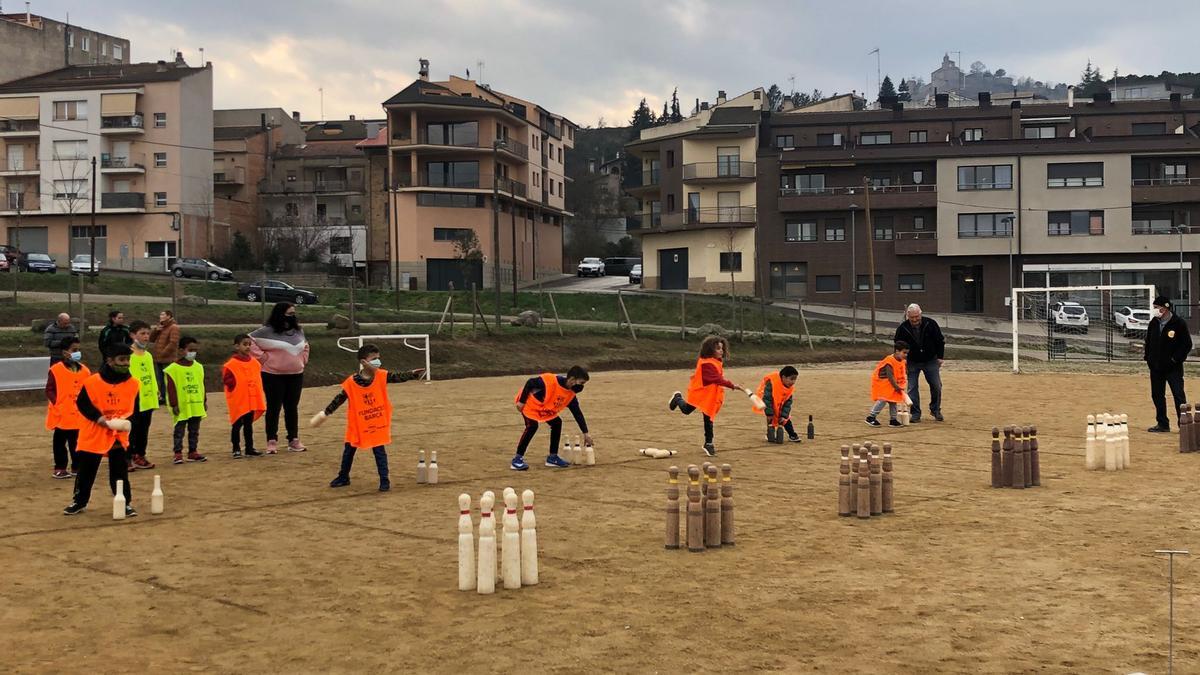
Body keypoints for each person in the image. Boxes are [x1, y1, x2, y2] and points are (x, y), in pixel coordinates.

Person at [311, 344, 425, 490]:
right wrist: (326, 412)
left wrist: (412, 374)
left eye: (379, 358)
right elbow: (339, 399)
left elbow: (397, 377)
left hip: (376, 421)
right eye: (374, 359)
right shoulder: (351, 382)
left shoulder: (382, 375)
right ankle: (343, 476)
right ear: (364, 362)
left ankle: (385, 480)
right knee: (349, 450)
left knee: (379, 451)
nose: (378, 361)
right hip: (358, 423)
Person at [63, 343, 139, 517]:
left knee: (119, 470)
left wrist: (128, 428)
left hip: (118, 434)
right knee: (87, 469)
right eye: (122, 359)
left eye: (128, 359)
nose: (126, 363)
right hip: (95, 431)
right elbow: (82, 404)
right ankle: (79, 501)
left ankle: (124, 502)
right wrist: (99, 419)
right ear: (110, 361)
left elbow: (135, 410)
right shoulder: (92, 382)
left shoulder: (133, 384)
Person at [669, 335, 743, 457]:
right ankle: (677, 398)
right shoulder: (707, 363)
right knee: (687, 410)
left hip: (709, 394)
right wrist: (732, 385)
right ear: (710, 350)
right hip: (699, 391)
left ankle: (708, 443)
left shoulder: (716, 361)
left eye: (722, 348)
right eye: (718, 348)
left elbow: (717, 378)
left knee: (708, 417)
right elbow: (717, 378)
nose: (721, 351)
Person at [250, 303, 310, 454]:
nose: (292, 317)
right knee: (274, 407)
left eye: (293, 314)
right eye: (289, 313)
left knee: (291, 408)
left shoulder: (298, 330)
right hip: (273, 375)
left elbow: (305, 345)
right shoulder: (266, 331)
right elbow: (249, 341)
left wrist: (303, 359)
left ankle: (293, 439)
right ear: (280, 314)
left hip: (296, 374)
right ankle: (271, 440)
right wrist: (263, 358)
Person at [511, 366, 592, 471]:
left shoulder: (571, 395)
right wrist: (521, 401)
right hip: (530, 405)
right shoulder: (550, 381)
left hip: (545, 409)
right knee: (532, 426)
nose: (582, 387)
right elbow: (530, 383)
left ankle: (552, 457)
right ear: (572, 380)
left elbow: (577, 413)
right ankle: (517, 459)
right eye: (581, 383)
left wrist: (585, 433)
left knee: (557, 423)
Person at [1145, 296, 1192, 432]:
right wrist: (1148, 358)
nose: (1154, 310)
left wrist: (1175, 359)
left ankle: (1183, 424)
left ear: (1164, 308)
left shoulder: (1178, 323)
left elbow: (1186, 345)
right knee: (1157, 395)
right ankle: (1162, 423)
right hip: (1156, 367)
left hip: (1173, 368)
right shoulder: (1153, 323)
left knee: (1178, 395)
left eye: (1156, 308)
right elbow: (1148, 342)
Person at [45, 337, 89, 479]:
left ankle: (77, 466)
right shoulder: (56, 370)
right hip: (61, 414)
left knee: (77, 443)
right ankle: (60, 467)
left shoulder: (85, 371)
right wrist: (57, 402)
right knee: (59, 443)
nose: (77, 353)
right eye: (74, 350)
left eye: (78, 350)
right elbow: (49, 389)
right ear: (65, 353)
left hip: (79, 415)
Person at [893, 303, 945, 423]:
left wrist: (940, 357)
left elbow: (940, 341)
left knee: (937, 386)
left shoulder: (930, 324)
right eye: (912, 317)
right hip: (911, 362)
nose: (915, 319)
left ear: (920, 314)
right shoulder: (902, 328)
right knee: (912, 388)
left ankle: (935, 409)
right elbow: (898, 346)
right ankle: (915, 413)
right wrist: (901, 361)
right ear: (907, 316)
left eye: (917, 316)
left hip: (930, 360)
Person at [164, 336, 207, 464]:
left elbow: (201, 384)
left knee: (194, 430)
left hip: (196, 404)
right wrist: (174, 404)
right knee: (179, 431)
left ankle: (193, 452)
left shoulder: (198, 367)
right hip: (182, 405)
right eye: (190, 350)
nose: (192, 353)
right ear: (182, 350)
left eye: (195, 350)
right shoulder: (173, 369)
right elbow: (171, 388)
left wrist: (204, 400)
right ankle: (177, 453)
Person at [223, 334, 267, 459]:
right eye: (245, 344)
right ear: (237, 346)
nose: (248, 347)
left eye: (249, 344)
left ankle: (249, 448)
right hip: (239, 400)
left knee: (248, 425)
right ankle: (236, 449)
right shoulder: (230, 365)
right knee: (236, 425)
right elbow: (228, 381)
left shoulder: (254, 363)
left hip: (251, 400)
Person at [125, 321, 159, 471]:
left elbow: (151, 375)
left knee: (143, 429)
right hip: (132, 399)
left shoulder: (148, 356)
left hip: (147, 398)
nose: (146, 337)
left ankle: (140, 455)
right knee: (131, 429)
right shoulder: (128, 355)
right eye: (142, 333)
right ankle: (127, 457)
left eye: (147, 333)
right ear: (133, 335)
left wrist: (156, 390)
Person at [866, 341, 911, 428]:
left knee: (893, 400)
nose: (906, 355)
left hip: (893, 383)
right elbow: (890, 376)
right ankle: (871, 417)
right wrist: (897, 387)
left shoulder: (902, 361)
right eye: (904, 353)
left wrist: (900, 385)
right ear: (897, 351)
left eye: (907, 353)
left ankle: (893, 420)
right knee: (883, 399)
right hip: (882, 382)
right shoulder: (889, 361)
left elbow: (902, 372)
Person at [755, 365, 802, 443]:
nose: (793, 382)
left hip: (780, 404)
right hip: (769, 403)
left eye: (795, 379)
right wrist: (769, 413)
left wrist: (784, 415)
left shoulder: (789, 388)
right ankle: (770, 433)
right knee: (770, 418)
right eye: (791, 379)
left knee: (786, 420)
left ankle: (792, 435)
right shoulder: (772, 383)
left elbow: (788, 403)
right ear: (783, 377)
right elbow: (767, 399)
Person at [149, 310, 180, 404]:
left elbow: (173, 343)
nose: (160, 316)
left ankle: (171, 398)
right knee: (160, 379)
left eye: (163, 314)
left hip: (168, 358)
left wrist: (163, 353)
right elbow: (151, 339)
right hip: (158, 359)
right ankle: (162, 397)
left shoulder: (174, 327)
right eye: (160, 314)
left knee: (169, 380)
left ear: (169, 316)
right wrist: (156, 330)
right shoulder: (161, 327)